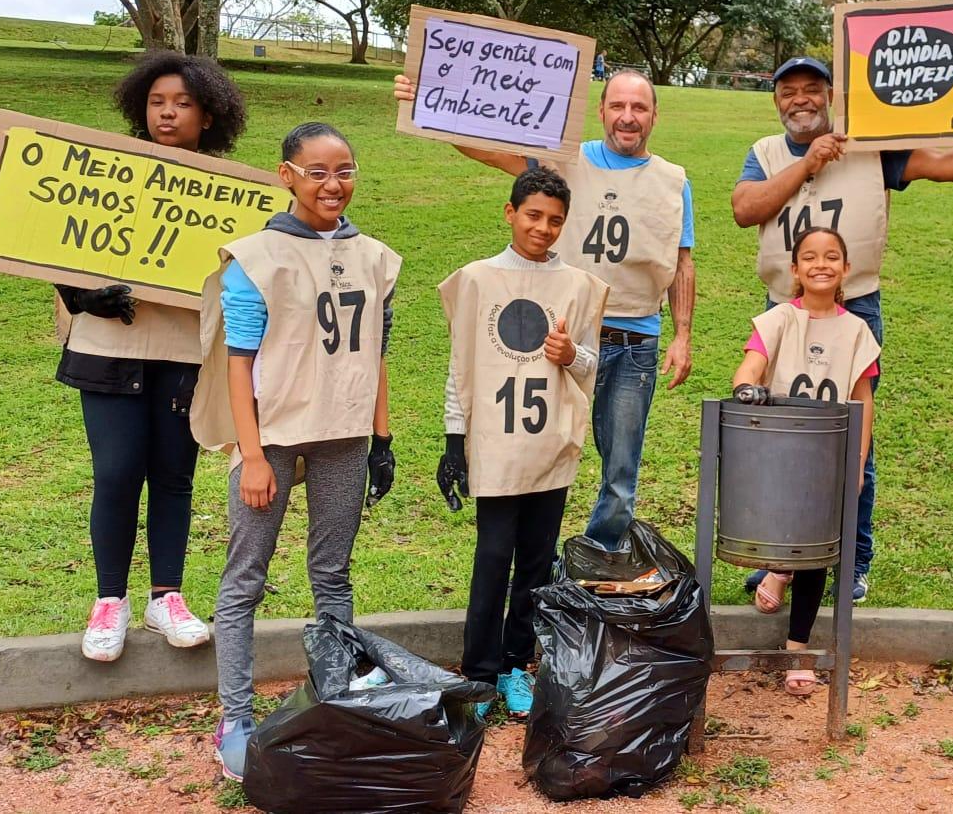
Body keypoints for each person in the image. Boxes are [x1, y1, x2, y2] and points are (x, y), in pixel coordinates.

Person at [732, 56, 953, 604]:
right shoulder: (765, 154)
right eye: (789, 91)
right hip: (783, 313)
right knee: (783, 440)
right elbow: (746, 209)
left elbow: (940, 162)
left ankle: (853, 558)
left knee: (851, 439)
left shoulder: (869, 148)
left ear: (831, 95)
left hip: (854, 310)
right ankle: (786, 553)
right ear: (776, 101)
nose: (801, 100)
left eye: (812, 90)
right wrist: (807, 164)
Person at [394, 69, 694, 549]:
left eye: (639, 108)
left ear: (655, 115)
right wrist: (428, 103)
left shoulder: (674, 182)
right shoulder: (563, 160)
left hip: (633, 336)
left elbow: (682, 261)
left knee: (621, 469)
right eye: (618, 106)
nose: (628, 117)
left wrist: (682, 334)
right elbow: (490, 150)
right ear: (601, 111)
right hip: (560, 336)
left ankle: (596, 558)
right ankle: (538, 554)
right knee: (544, 445)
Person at [189, 122, 401, 780]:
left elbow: (376, 352)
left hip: (343, 433)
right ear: (286, 175)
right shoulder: (258, 257)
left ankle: (337, 696)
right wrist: (250, 455)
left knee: (332, 574)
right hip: (273, 435)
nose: (333, 184)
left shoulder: (375, 257)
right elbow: (238, 363)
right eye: (317, 172)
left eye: (344, 170)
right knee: (243, 580)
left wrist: (383, 436)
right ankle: (235, 715)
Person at [58, 51, 246, 662]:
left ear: (210, 115)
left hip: (183, 353)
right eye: (157, 102)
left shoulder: (230, 194)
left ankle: (167, 595)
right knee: (115, 474)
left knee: (173, 475)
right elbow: (50, 243)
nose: (168, 113)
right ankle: (108, 600)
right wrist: (83, 295)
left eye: (183, 103)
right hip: (108, 348)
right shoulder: (107, 171)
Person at [436, 167, 609, 718]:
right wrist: (452, 439)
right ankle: (479, 673)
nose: (544, 228)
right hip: (496, 444)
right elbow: (461, 367)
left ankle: (517, 665)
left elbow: (591, 364)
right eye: (533, 215)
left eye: (555, 220)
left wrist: (569, 356)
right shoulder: (478, 280)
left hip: (548, 446)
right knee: (492, 557)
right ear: (510, 213)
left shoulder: (578, 286)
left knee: (535, 562)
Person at [730, 227, 877, 696]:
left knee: (815, 550)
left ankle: (799, 650)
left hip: (826, 456)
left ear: (846, 269)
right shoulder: (777, 321)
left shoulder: (857, 330)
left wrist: (858, 459)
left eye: (832, 256)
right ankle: (778, 568)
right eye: (809, 257)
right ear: (794, 269)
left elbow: (862, 398)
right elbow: (751, 366)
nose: (821, 264)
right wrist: (746, 388)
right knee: (777, 528)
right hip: (778, 451)